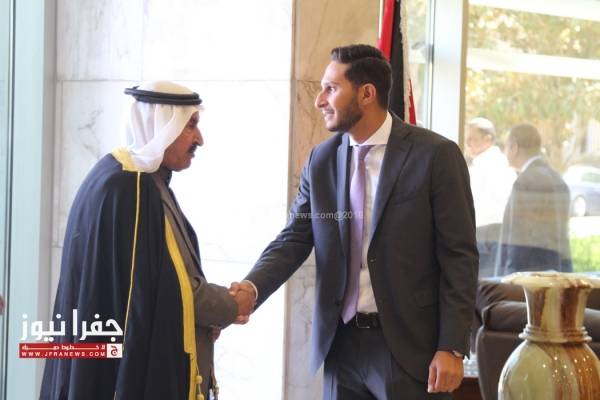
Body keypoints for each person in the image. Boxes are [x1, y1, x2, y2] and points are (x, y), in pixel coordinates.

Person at [232, 44, 478, 399]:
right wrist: (251, 289)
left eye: (331, 88)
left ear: (366, 94)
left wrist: (451, 346)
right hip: (340, 347)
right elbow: (293, 239)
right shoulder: (321, 160)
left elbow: (459, 257)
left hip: (411, 350)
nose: (319, 100)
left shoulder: (435, 156)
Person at [40, 81, 254, 400]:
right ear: (162, 125)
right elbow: (169, 290)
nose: (199, 139)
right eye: (190, 125)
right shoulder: (132, 190)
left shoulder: (125, 177)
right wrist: (233, 304)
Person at [495, 123, 572, 276]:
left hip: (528, 278)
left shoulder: (526, 181)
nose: (504, 152)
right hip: (555, 274)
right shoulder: (558, 179)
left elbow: (517, 241)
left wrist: (507, 278)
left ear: (514, 146)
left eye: (506, 146)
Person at [464, 118, 515, 277]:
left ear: (488, 140)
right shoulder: (501, 162)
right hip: (496, 232)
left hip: (485, 233)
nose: (468, 143)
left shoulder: (486, 164)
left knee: (483, 282)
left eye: (472, 139)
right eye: (467, 139)